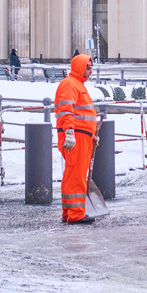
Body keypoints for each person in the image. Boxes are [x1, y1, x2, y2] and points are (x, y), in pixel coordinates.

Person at [54, 54, 99, 225]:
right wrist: (70, 132)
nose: (90, 72)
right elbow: (66, 110)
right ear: (80, 67)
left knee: (72, 173)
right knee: (77, 175)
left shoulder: (76, 84)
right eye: (88, 68)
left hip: (82, 135)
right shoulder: (70, 84)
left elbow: (82, 113)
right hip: (76, 136)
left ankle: (69, 211)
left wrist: (91, 134)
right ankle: (76, 213)